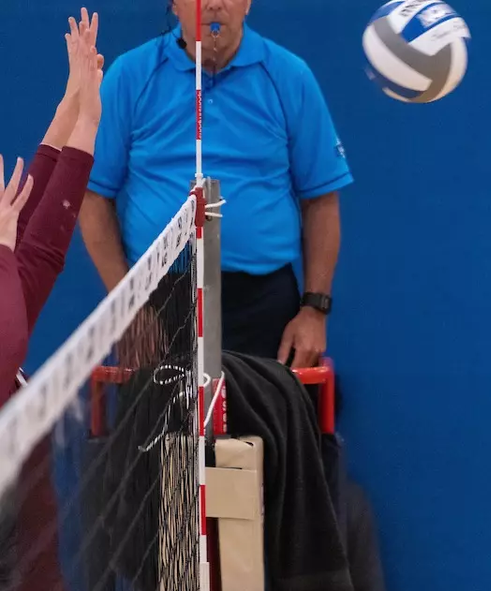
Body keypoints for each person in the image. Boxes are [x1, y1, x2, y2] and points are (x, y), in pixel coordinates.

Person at [78, 0, 353, 368]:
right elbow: (93, 196)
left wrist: (315, 310)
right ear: (174, 6)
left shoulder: (290, 76)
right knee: (165, 427)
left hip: (263, 308)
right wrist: (126, 307)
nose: (214, 4)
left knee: (264, 428)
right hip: (158, 305)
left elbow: (320, 199)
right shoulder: (130, 75)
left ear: (248, 4)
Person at [0, 10, 103, 591]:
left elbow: (47, 219)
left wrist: (79, 109)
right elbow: (7, 345)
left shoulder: (12, 273)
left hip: (17, 553)